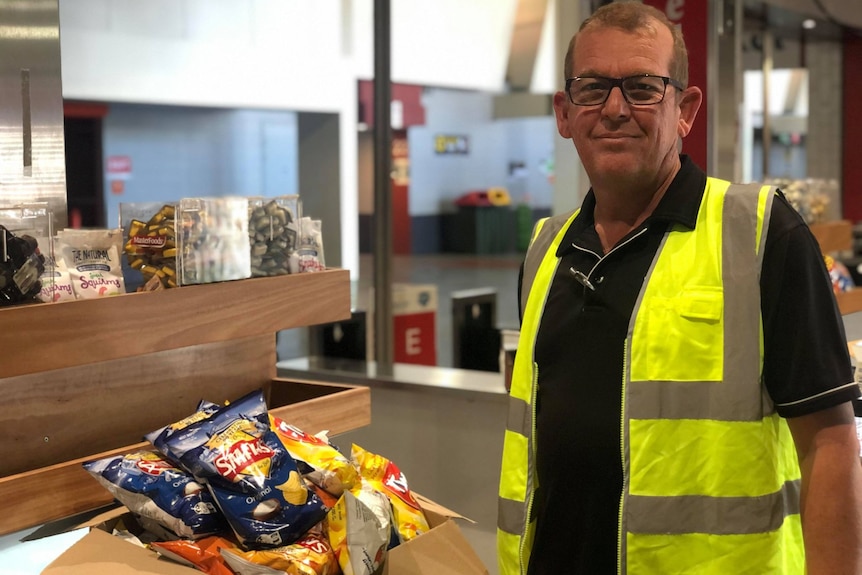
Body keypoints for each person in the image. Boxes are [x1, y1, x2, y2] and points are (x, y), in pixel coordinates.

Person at [496, 2, 862, 574]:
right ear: (564, 114)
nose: (615, 109)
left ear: (685, 110)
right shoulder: (547, 248)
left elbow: (830, 445)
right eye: (592, 89)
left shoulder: (762, 235)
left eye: (642, 88)